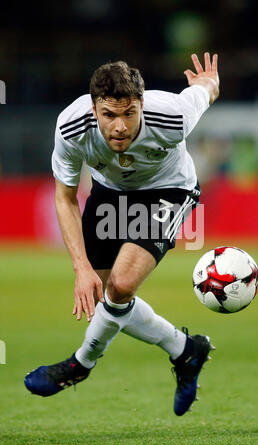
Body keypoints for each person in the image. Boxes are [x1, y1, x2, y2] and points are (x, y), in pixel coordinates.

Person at [24, 52, 219, 416]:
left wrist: (209, 81)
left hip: (168, 192)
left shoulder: (171, 115)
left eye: (129, 113)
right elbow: (65, 197)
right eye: (109, 115)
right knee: (106, 300)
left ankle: (78, 364)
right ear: (94, 108)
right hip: (109, 193)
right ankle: (186, 351)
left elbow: (205, 92)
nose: (120, 127)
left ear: (142, 106)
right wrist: (80, 267)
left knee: (122, 285)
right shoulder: (71, 127)